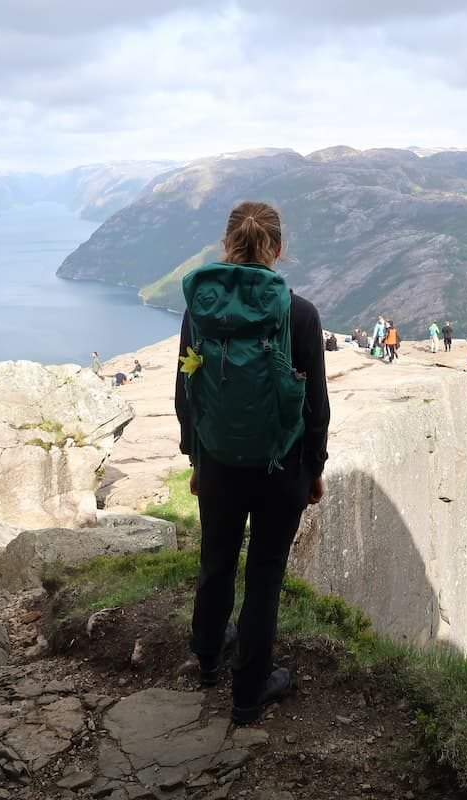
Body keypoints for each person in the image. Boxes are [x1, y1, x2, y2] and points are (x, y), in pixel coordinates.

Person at [176, 200, 330, 726]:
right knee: (264, 575)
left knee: (215, 561)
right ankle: (249, 692)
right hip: (280, 468)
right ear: (279, 249)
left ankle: (206, 658)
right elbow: (316, 404)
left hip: (218, 463)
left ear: (225, 246)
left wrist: (196, 457)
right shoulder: (300, 313)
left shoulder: (200, 309)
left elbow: (187, 390)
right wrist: (315, 468)